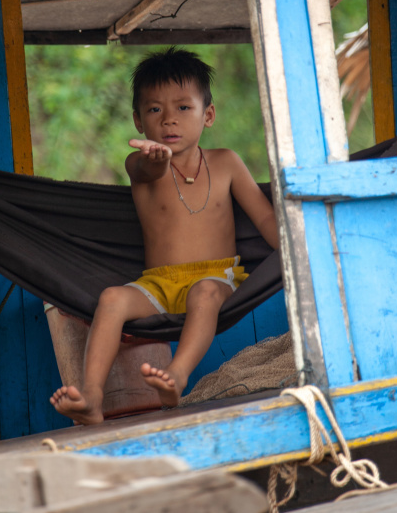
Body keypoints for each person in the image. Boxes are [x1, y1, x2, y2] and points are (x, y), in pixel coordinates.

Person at [50, 47, 279, 425]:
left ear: (208, 115)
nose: (169, 120)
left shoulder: (226, 163)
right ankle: (92, 396)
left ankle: (176, 376)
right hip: (158, 284)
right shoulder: (139, 164)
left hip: (217, 276)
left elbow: (266, 218)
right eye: (155, 110)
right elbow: (145, 170)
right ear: (138, 121)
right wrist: (153, 161)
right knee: (111, 299)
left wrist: (297, 253)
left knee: (205, 292)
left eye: (183, 108)